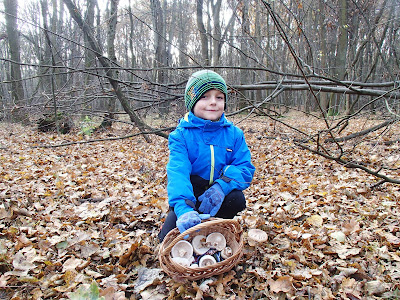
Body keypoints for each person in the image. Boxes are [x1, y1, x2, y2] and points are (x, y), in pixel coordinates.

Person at [158, 70, 255, 241]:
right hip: (191, 196)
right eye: (205, 97)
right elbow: (178, 174)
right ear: (192, 102)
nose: (213, 103)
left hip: (220, 196)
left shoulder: (234, 134)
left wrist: (221, 187)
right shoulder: (180, 136)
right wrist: (184, 209)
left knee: (237, 199)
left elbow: (245, 168)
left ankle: (216, 227)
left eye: (219, 97)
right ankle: (191, 221)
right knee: (166, 238)